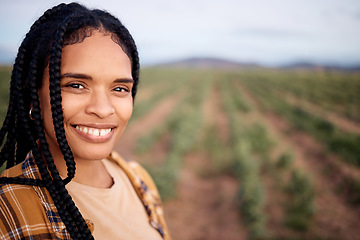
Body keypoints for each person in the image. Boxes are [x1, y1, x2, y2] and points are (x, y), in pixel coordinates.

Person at [0, 2, 171, 240]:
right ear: (32, 96)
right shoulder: (7, 209)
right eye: (76, 85)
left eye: (120, 88)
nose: (102, 109)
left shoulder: (138, 179)